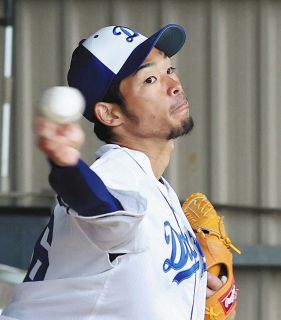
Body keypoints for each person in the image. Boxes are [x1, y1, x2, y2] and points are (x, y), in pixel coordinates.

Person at [2, 24, 230, 320]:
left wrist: (193, 287)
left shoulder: (156, 188)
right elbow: (98, 205)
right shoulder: (117, 174)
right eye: (150, 79)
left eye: (169, 70)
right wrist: (66, 165)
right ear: (110, 113)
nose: (173, 85)